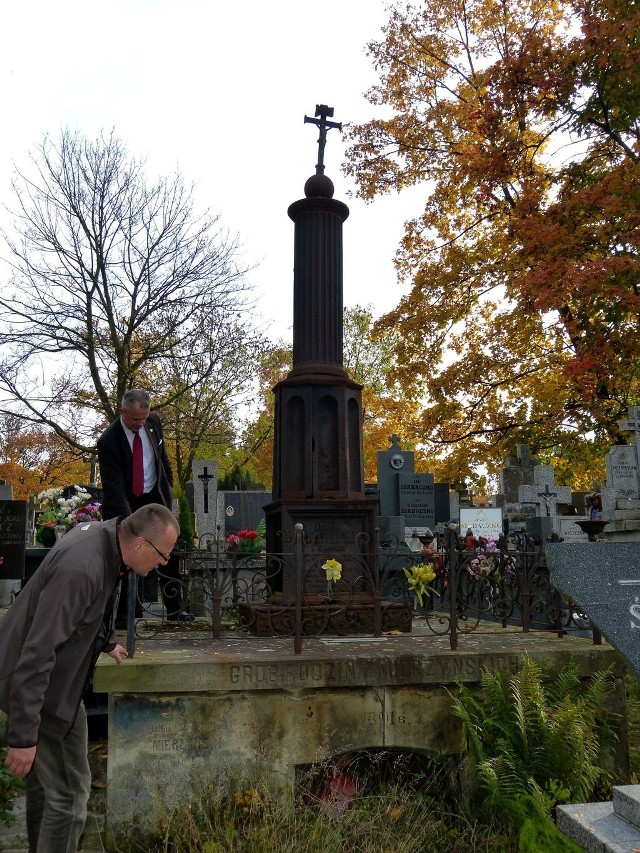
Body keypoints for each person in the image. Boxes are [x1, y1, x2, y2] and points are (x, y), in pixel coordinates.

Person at [0, 503, 179, 853]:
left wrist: (106, 642)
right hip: (43, 694)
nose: (164, 562)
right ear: (141, 543)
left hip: (49, 688)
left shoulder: (107, 543)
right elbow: (39, 651)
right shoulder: (82, 567)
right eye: (163, 554)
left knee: (47, 790)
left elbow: (93, 606)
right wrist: (22, 735)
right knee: (68, 798)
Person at [97, 389, 194, 624]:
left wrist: (167, 487)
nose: (140, 423)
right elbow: (114, 487)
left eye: (144, 417)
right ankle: (124, 614)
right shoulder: (108, 441)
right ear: (122, 412)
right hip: (125, 501)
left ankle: (175, 610)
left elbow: (162, 458)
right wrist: (131, 525)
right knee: (127, 553)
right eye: (134, 419)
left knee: (167, 552)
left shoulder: (153, 422)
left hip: (155, 497)